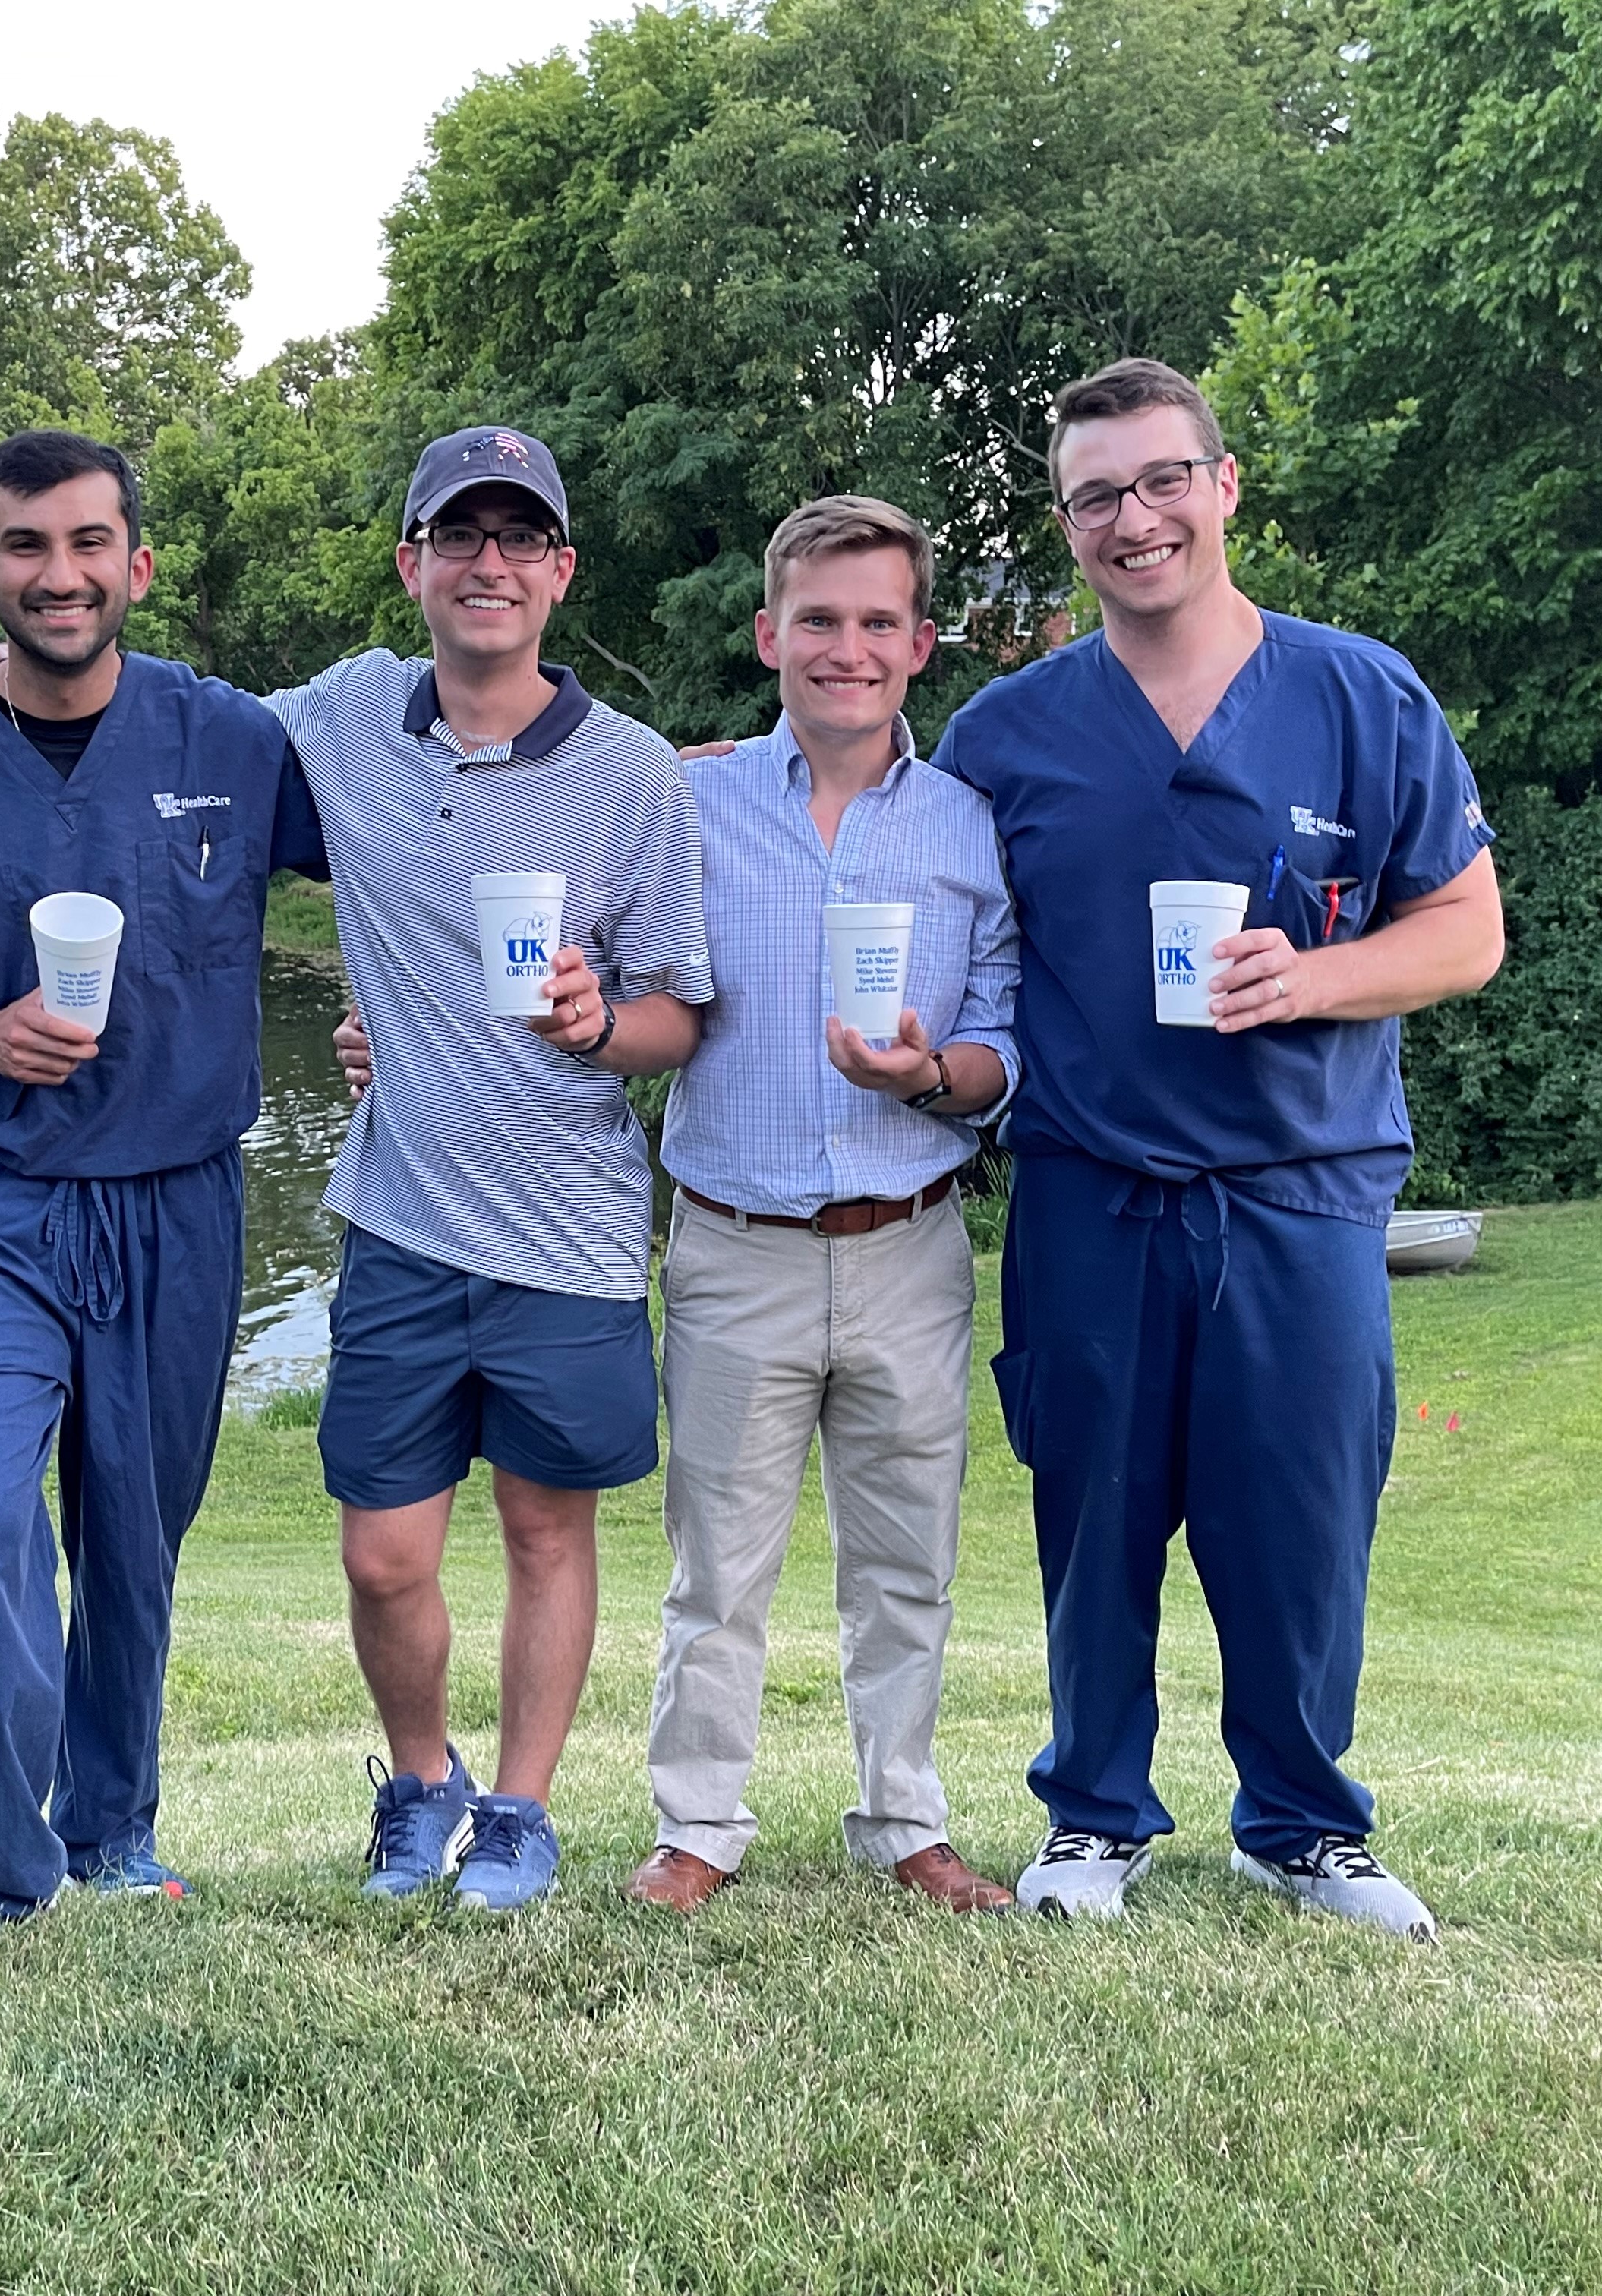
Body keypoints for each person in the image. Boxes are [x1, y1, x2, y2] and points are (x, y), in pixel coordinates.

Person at [0, 426, 713, 1913]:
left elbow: (678, 998)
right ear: (412, 565)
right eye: (458, 537)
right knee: (346, 1556)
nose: (489, 563)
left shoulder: (628, 774)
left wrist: (608, 1012)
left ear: (560, 568)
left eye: (519, 538)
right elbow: (103, 694)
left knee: (489, 1533)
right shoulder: (325, 726)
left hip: (530, 1224)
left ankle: (468, 1819)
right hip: (358, 1213)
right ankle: (360, 1794)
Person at [935, 358, 1503, 1938]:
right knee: (1092, 1517)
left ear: (1224, 484)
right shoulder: (1006, 734)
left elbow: (1466, 928)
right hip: (1091, 1190)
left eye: (1162, 479)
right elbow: (895, 874)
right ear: (1066, 527)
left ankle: (1304, 1827)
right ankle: (1093, 1818)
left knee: (1301, 1522)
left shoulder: (1358, 696)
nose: (1136, 519)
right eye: (1097, 496)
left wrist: (1313, 978)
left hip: (1301, 1191)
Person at [0, 430, 325, 1952]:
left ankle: (115, 1832)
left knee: (136, 1542)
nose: (60, 574)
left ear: (138, 566)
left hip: (177, 1204)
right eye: (25, 549)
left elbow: (426, 825)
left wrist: (651, 773)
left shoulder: (234, 741)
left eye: (89, 544)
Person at [624, 496, 1023, 1915]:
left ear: (920, 643)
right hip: (736, 1245)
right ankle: (699, 1828)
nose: (846, 650)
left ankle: (904, 1818)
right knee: (716, 1568)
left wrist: (930, 1076)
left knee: (907, 1563)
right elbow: (596, 965)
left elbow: (1003, 1043)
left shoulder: (971, 830)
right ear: (768, 634)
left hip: (912, 1244)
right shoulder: (684, 798)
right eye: (818, 621)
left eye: (876, 624)